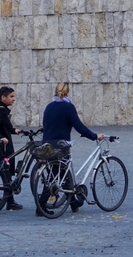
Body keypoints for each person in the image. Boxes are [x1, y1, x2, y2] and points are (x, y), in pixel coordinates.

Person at [40, 82, 104, 215]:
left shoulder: (49, 107)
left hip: (47, 145)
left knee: (60, 175)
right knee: (58, 176)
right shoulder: (68, 107)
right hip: (61, 145)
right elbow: (79, 127)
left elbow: (46, 125)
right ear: (68, 93)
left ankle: (74, 203)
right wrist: (94, 136)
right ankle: (40, 207)